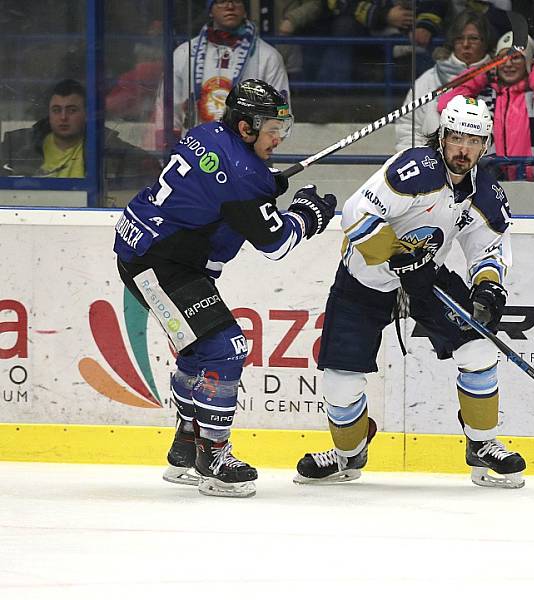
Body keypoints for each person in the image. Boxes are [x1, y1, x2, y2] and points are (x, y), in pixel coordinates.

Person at [114, 79, 337, 498]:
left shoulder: (205, 133)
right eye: (271, 128)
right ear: (245, 127)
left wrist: (263, 186)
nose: (279, 137)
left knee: (200, 350)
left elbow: (222, 182)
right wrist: (310, 215)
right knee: (226, 347)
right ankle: (213, 456)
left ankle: (185, 446)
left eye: (282, 128)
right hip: (159, 265)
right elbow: (276, 243)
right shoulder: (244, 175)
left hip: (145, 249)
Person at [293, 95, 527, 489]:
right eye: (456, 138)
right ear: (442, 137)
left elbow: (487, 248)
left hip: (427, 281)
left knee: (479, 349)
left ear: (485, 145)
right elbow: (356, 213)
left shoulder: (485, 193)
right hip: (364, 282)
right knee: (341, 381)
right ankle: (349, 454)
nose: (464, 149)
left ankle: (482, 444)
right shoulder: (413, 169)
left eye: (474, 141)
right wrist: (397, 256)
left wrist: (488, 288)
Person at [437, 31, 534, 181]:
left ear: (527, 62)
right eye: (502, 58)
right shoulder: (483, 96)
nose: (508, 64)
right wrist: (481, 73)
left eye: (516, 58)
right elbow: (446, 105)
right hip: (488, 185)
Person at [0, 79, 160, 183]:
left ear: (86, 114)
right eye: (56, 110)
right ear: (48, 114)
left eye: (72, 110)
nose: (63, 117)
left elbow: (149, 167)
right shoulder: (17, 146)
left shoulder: (106, 145)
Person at [169, 0, 290, 134]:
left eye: (237, 1)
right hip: (194, 149)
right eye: (221, 1)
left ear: (245, 10)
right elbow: (170, 109)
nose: (230, 6)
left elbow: (279, 115)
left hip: (244, 151)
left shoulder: (268, 57)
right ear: (210, 10)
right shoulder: (184, 53)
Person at [395, 10, 493, 151]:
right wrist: (423, 162)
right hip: (435, 166)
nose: (465, 44)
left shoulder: (499, 79)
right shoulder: (429, 79)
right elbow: (408, 128)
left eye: (473, 38)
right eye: (459, 38)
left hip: (488, 166)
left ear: (486, 42)